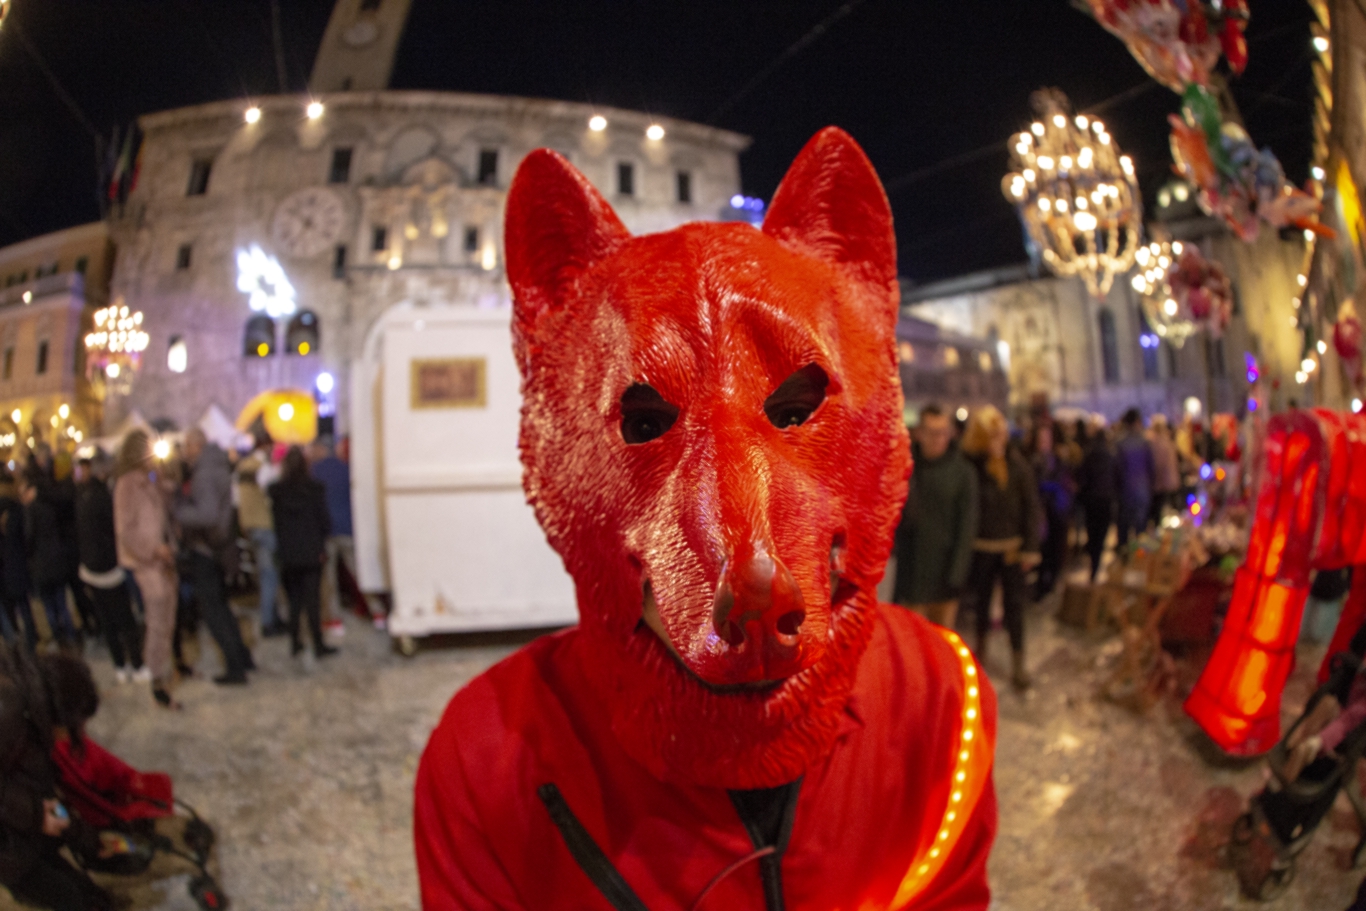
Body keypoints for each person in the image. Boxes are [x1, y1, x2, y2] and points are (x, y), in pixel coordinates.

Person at [416, 130, 996, 908]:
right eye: (645, 423)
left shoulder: (942, 698)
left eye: (795, 408)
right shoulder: (486, 764)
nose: (748, 567)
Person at [0, 643, 113, 911]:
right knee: (68, 897)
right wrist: (36, 815)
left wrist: (86, 839)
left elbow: (42, 789)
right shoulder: (9, 713)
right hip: (8, 847)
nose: (79, 734)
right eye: (79, 724)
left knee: (85, 894)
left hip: (18, 826)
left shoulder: (32, 711)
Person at [960, 406, 1041, 690]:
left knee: (1014, 607)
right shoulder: (972, 467)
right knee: (981, 604)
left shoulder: (1017, 465)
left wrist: (1030, 548)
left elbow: (1031, 508)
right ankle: (980, 654)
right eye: (992, 436)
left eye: (1001, 435)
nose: (999, 441)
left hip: (1011, 550)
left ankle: (1018, 661)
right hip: (982, 549)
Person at [174, 428, 253, 685]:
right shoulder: (216, 466)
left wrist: (179, 511)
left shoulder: (204, 472)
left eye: (187, 446)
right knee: (222, 607)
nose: (185, 452)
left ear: (196, 446)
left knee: (214, 610)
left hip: (205, 548)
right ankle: (242, 657)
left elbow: (206, 514)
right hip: (219, 546)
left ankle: (235, 667)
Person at [892, 403, 977, 628]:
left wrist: (957, 574)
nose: (938, 439)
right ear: (920, 433)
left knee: (941, 638)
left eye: (943, 432)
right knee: (911, 636)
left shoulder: (962, 472)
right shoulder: (906, 466)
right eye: (932, 432)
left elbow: (966, 525)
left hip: (944, 574)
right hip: (912, 573)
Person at [114, 431, 179, 708]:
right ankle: (156, 679)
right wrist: (153, 549)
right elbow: (125, 530)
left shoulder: (150, 480)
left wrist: (163, 479)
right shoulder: (127, 484)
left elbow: (165, 511)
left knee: (168, 617)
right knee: (157, 619)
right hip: (147, 562)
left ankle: (163, 670)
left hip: (163, 560)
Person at [75, 456, 145, 683]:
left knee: (107, 621)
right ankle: (137, 665)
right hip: (109, 567)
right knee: (125, 618)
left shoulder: (82, 496)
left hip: (90, 567)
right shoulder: (104, 497)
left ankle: (120, 666)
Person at [270, 446, 336, 660]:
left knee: (294, 601)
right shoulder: (315, 489)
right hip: (311, 551)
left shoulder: (277, 492)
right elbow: (323, 521)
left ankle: (295, 642)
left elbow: (276, 524)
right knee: (313, 599)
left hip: (289, 553)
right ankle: (318, 643)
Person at [19, 469, 80, 651]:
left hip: (42, 565)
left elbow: (29, 539)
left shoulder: (31, 511)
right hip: (57, 561)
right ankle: (71, 635)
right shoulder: (51, 507)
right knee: (61, 602)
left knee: (49, 605)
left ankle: (57, 638)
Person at [235, 438, 284, 637]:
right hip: (264, 525)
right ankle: (268, 622)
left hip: (250, 526)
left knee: (264, 574)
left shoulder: (241, 468)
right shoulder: (262, 467)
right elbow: (270, 492)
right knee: (269, 575)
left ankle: (273, 617)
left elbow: (236, 499)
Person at [311, 436, 358, 632]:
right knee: (357, 571)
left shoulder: (315, 470)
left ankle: (334, 618)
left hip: (327, 531)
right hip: (348, 527)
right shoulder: (346, 468)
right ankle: (378, 611)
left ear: (321, 449)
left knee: (329, 578)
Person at [1028, 420, 1073, 600]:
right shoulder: (1032, 461)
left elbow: (1064, 483)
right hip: (1041, 513)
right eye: (1041, 440)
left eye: (1046, 439)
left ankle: (1049, 583)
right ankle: (1041, 584)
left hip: (1056, 512)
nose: (1043, 443)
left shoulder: (1058, 461)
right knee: (1043, 550)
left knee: (1054, 550)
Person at [1077, 420, 1119, 582]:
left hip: (1091, 502)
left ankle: (1093, 566)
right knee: (1101, 536)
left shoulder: (1089, 454)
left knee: (1092, 534)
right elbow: (1116, 478)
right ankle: (1096, 565)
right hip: (1105, 502)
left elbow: (1083, 478)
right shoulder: (1110, 456)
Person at [1114, 407, 1155, 547]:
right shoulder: (1144, 442)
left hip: (1125, 492)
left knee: (1124, 531)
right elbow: (1151, 468)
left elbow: (1118, 470)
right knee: (1140, 533)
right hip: (1142, 491)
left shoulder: (1120, 443)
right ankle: (1139, 557)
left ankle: (1124, 556)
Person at [0, 473, 31, 648]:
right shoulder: (16, 507)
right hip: (17, 563)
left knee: (8, 609)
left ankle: (14, 642)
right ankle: (27, 642)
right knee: (24, 607)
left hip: (7, 565)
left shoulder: (12, 508)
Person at [1147, 414, 1180, 527]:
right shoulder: (1167, 441)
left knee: (1156, 513)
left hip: (1157, 483)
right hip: (1165, 483)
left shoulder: (1153, 442)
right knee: (1160, 511)